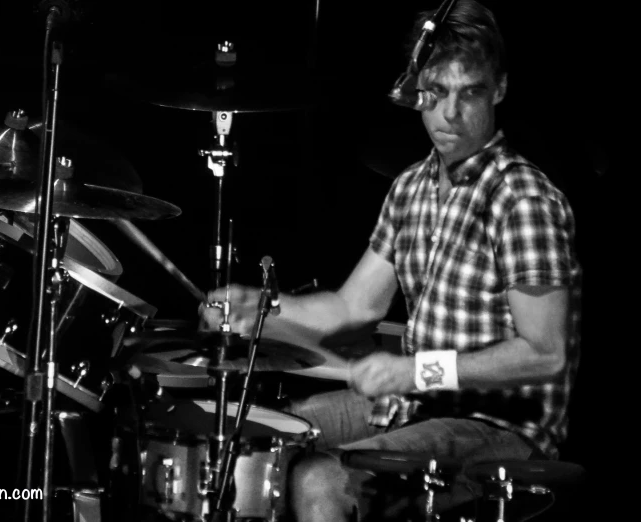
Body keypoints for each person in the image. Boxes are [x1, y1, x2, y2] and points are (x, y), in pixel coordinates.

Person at [200, 0, 581, 520]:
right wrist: (261, 310)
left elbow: (545, 352)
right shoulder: (410, 188)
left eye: (469, 93)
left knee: (323, 478)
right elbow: (351, 307)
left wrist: (415, 371)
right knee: (259, 439)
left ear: (499, 89)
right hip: (416, 407)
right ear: (414, 91)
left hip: (500, 428)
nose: (450, 113)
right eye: (435, 92)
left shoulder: (522, 199)